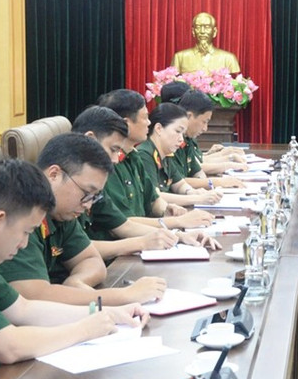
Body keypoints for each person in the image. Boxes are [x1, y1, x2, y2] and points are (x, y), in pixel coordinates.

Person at [0, 158, 148, 379]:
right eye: (26, 232)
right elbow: (8, 347)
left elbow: (23, 309)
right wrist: (85, 329)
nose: (24, 244)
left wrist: (105, 313)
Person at [0, 134, 167, 306]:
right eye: (86, 193)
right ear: (54, 174)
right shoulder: (19, 210)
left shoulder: (61, 211)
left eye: (95, 196)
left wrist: (77, 281)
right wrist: (124, 296)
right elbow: (33, 295)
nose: (88, 205)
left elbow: (92, 260)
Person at [71, 106, 220, 260]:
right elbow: (78, 249)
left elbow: (124, 224)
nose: (115, 159)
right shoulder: (73, 185)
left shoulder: (131, 158)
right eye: (114, 149)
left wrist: (177, 236)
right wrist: (144, 241)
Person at [97, 89, 216, 230]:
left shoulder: (133, 156)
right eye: (145, 118)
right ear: (126, 123)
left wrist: (168, 210)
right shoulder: (111, 163)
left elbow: (153, 199)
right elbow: (123, 224)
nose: (149, 123)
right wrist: (178, 222)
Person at [136, 103, 224, 207]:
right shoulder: (145, 154)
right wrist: (196, 199)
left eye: (183, 133)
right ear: (159, 128)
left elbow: (179, 184)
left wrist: (192, 192)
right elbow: (156, 196)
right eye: (178, 131)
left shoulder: (166, 154)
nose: (181, 139)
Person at [173, 90, 248, 185]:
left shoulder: (187, 138)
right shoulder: (172, 139)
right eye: (204, 122)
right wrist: (218, 182)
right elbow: (178, 181)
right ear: (189, 116)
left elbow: (197, 170)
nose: (205, 128)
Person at [171, 12, 240, 75]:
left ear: (214, 32)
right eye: (198, 27)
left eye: (207, 27)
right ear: (193, 31)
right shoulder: (179, 58)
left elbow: (235, 83)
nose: (202, 31)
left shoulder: (228, 58)